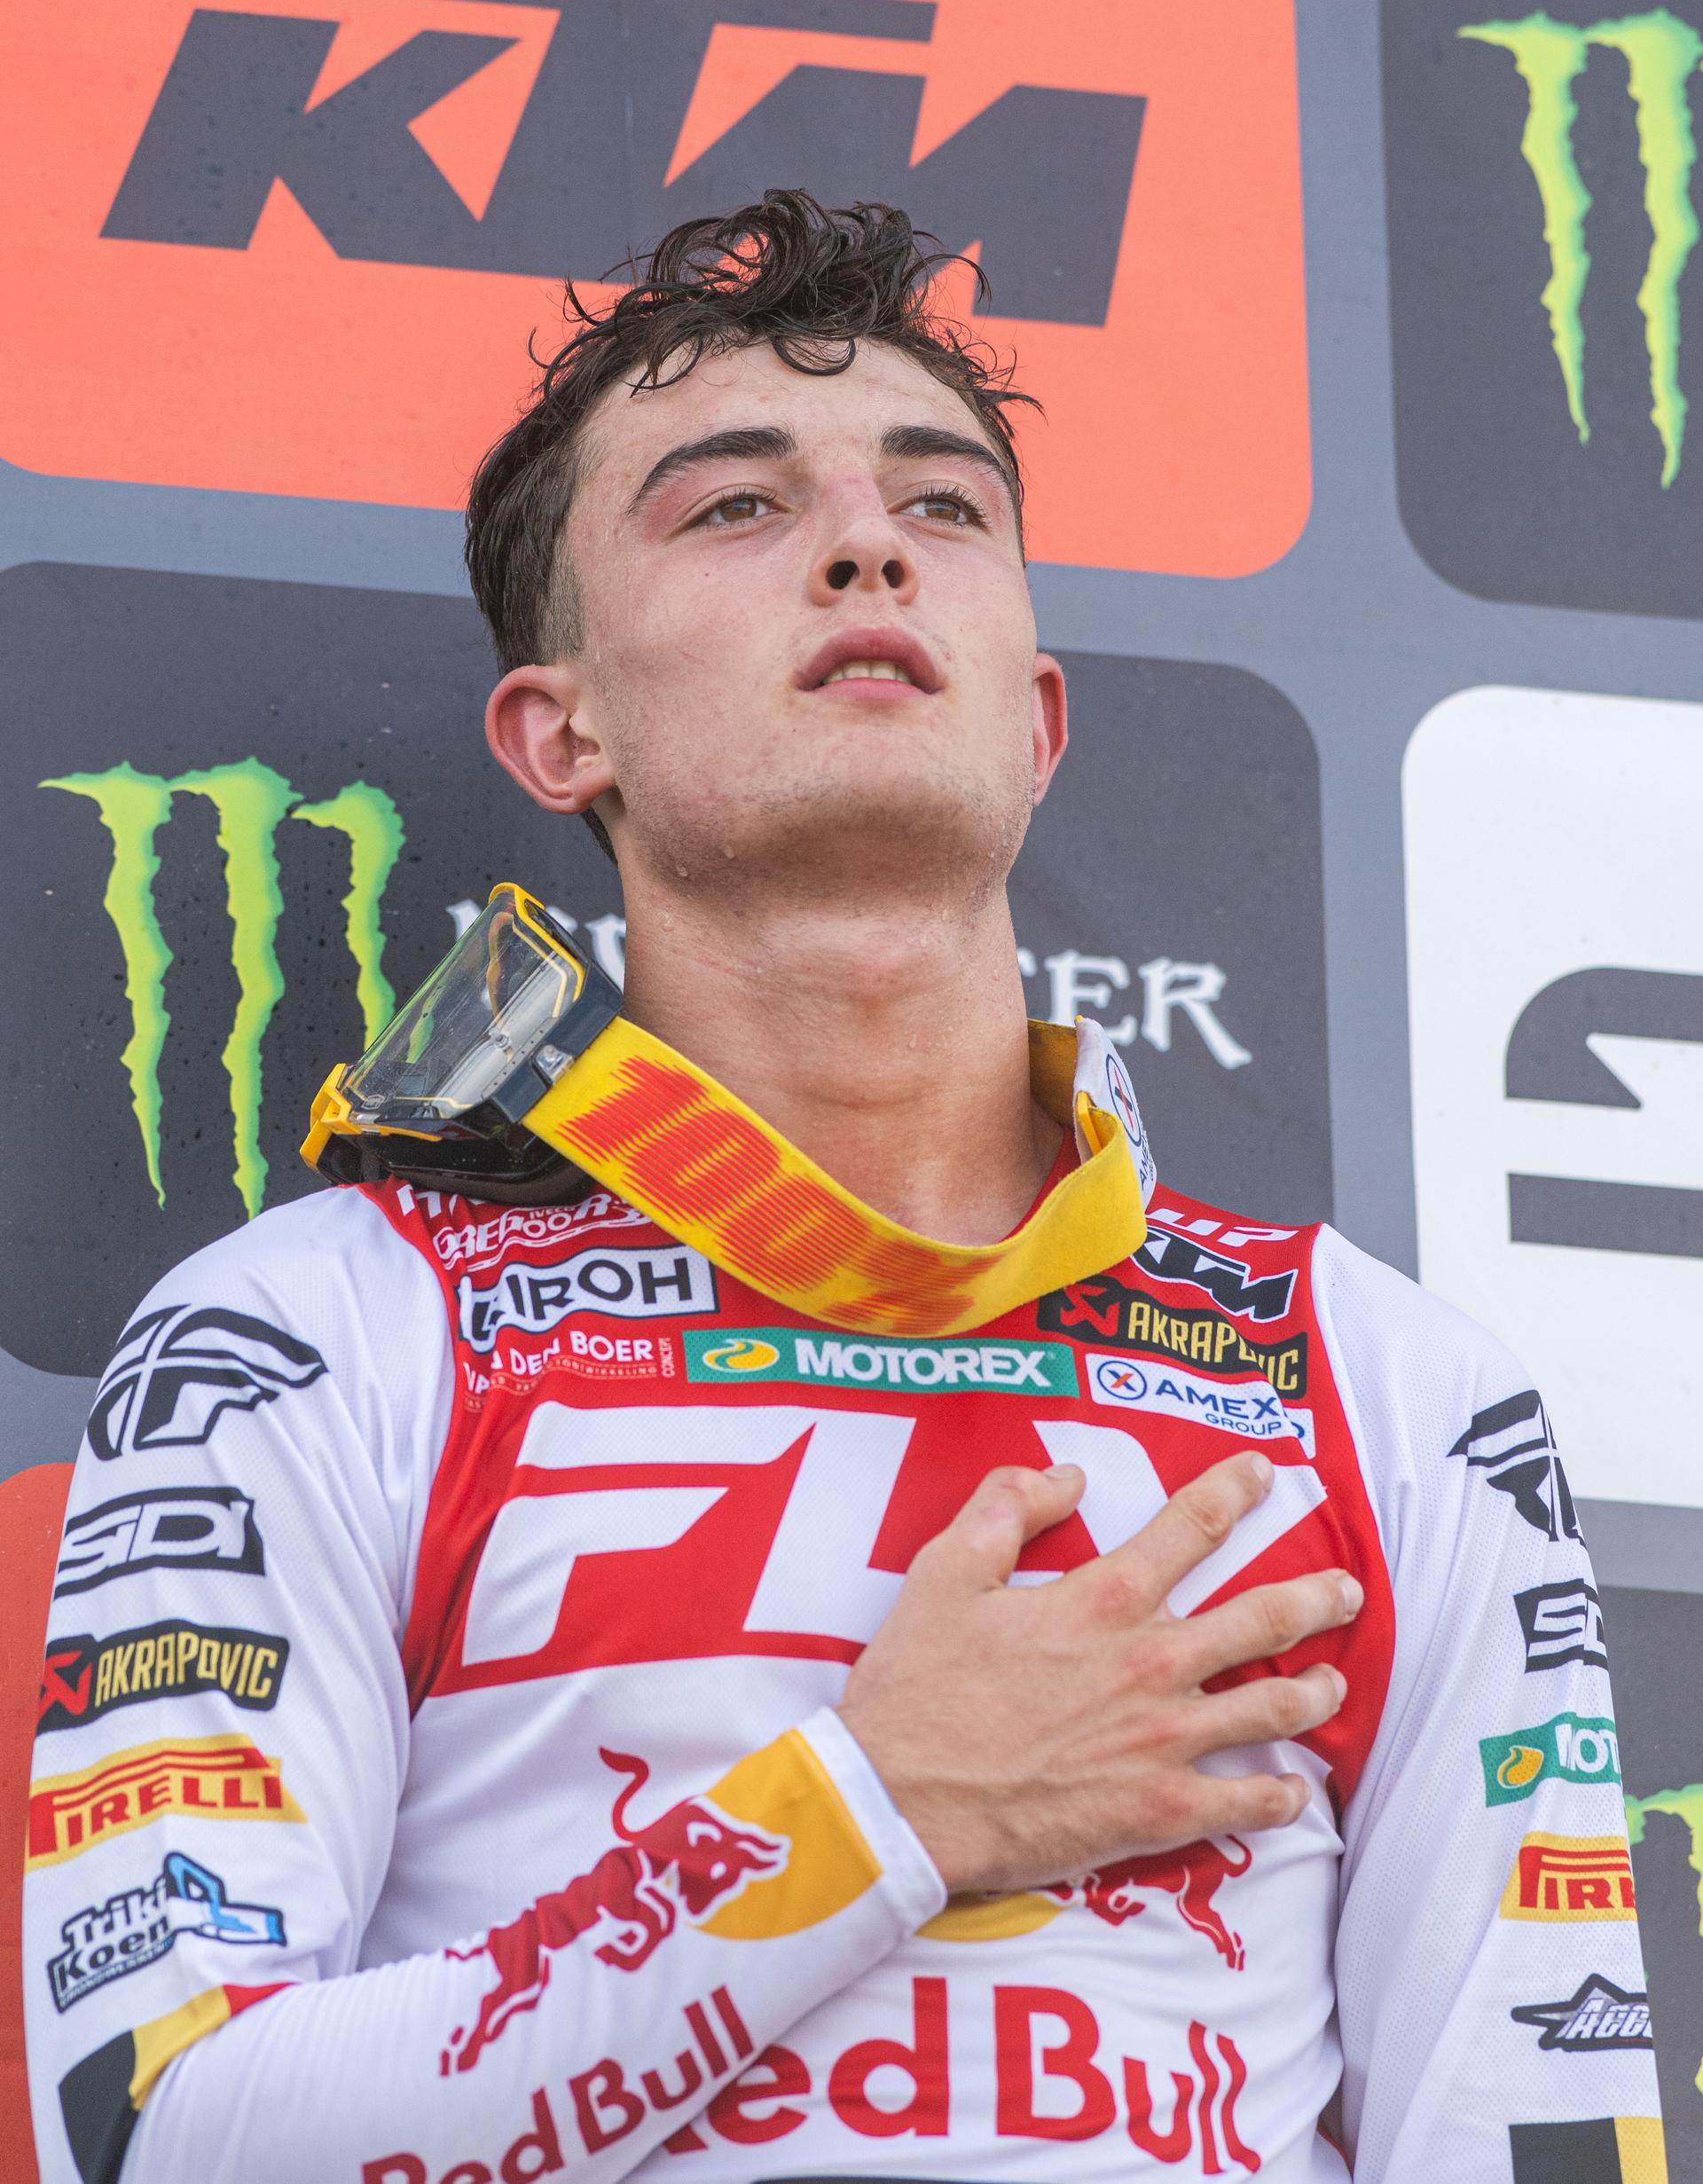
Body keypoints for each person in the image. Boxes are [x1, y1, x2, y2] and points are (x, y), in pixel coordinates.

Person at [25, 193, 1658, 2184]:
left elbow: (1545, 2140)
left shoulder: (1390, 1388)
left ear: (1038, 719)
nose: (870, 540)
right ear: (564, 732)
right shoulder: (315, 1329)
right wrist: (874, 1810)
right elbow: (168, 2132)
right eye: (733, 507)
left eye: (945, 508)